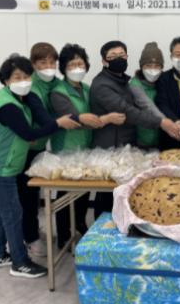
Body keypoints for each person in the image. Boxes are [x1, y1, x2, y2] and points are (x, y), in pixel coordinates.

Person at [0, 54, 78, 278]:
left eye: (26, 76)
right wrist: (58, 123)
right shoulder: (6, 105)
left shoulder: (23, 97)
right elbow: (29, 134)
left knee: (2, 211)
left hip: (6, 164)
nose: (23, 81)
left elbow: (39, 121)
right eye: (17, 77)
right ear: (5, 80)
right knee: (13, 213)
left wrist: (53, 123)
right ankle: (20, 262)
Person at [90, 40, 180, 217]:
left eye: (122, 55)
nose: (118, 59)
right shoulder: (102, 85)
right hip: (109, 148)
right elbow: (128, 111)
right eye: (113, 56)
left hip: (125, 146)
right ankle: (102, 231)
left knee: (124, 195)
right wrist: (161, 123)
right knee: (107, 195)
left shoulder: (123, 81)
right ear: (103, 61)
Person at [50, 44, 125, 247]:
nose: (77, 68)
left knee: (82, 192)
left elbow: (91, 115)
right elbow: (76, 120)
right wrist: (107, 119)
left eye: (80, 64)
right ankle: (64, 236)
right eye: (72, 65)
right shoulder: (58, 92)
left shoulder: (86, 88)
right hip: (67, 150)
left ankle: (80, 225)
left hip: (85, 148)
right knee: (65, 194)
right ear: (63, 68)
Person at [16, 42, 59, 258]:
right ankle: (30, 238)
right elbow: (43, 118)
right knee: (26, 196)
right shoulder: (31, 87)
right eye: (43, 63)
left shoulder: (54, 84)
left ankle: (31, 231)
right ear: (33, 64)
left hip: (40, 146)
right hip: (26, 149)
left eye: (52, 62)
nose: (48, 67)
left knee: (34, 195)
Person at [129, 42, 166, 149]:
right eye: (148, 66)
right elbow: (147, 105)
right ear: (141, 66)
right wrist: (166, 122)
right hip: (140, 141)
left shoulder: (164, 82)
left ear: (162, 67)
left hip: (162, 140)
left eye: (157, 66)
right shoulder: (135, 84)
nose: (153, 70)